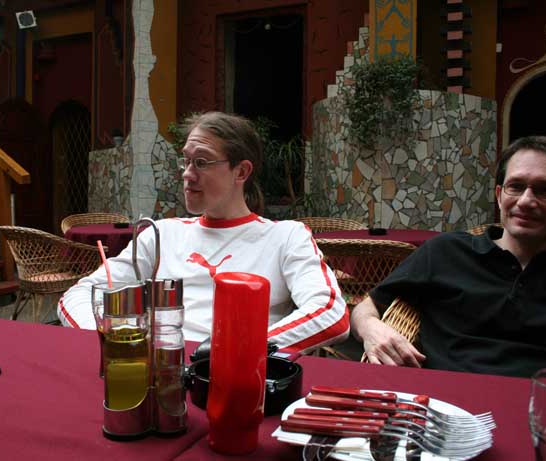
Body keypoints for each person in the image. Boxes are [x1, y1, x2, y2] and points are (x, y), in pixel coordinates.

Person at [59, 111, 349, 353]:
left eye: (201, 162)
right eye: (186, 161)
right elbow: (78, 295)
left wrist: (232, 351)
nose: (187, 173)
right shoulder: (161, 235)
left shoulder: (285, 237)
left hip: (240, 379)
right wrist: (107, 339)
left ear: (241, 172)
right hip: (159, 372)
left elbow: (330, 313)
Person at [351, 135, 546, 377]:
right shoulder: (446, 253)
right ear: (499, 196)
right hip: (446, 395)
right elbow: (366, 306)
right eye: (515, 186)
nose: (526, 201)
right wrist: (371, 328)